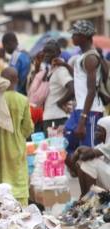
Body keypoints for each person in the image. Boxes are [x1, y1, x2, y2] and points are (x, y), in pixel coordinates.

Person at [64, 20, 104, 174]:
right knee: (65, 144)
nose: (72, 37)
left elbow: (91, 90)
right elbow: (80, 81)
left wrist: (83, 119)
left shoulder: (90, 58)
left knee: (90, 157)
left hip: (90, 112)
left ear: (84, 36)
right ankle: (85, 189)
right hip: (80, 109)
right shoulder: (82, 56)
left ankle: (97, 193)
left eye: (75, 34)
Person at [0, 67, 34, 205]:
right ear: (16, 80)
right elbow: (28, 127)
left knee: (1, 179)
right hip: (17, 145)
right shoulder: (23, 100)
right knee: (19, 181)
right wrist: (19, 135)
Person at [40, 41, 75, 136]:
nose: (46, 54)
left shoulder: (60, 71)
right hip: (50, 117)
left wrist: (60, 102)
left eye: (50, 51)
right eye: (45, 51)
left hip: (57, 118)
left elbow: (72, 89)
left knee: (56, 148)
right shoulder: (51, 70)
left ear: (58, 53)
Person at [75, 117, 110, 196]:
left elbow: (86, 156)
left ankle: (90, 197)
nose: (96, 132)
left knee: (90, 162)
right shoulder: (102, 145)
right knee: (83, 163)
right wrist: (79, 151)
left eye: (99, 130)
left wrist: (79, 150)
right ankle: (85, 196)